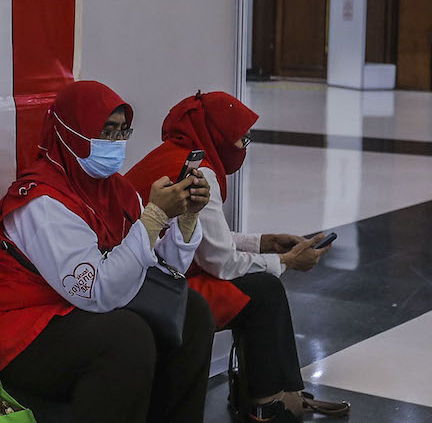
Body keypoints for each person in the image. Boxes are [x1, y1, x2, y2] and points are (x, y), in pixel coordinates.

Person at [0, 81, 215, 423]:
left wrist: (185, 218)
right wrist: (153, 217)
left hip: (74, 308)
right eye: (105, 131)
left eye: (122, 131)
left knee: (192, 311)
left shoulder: (118, 191)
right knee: (125, 337)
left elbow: (161, 273)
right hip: (16, 328)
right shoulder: (42, 201)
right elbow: (97, 290)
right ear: (69, 132)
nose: (116, 143)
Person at [125, 91, 348, 422]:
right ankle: (267, 401)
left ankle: (268, 393)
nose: (244, 147)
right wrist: (286, 262)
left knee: (258, 281)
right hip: (151, 290)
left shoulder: (172, 154)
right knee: (263, 289)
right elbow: (222, 262)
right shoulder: (201, 173)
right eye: (241, 139)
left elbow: (202, 239)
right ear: (218, 135)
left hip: (144, 275)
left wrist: (265, 243)